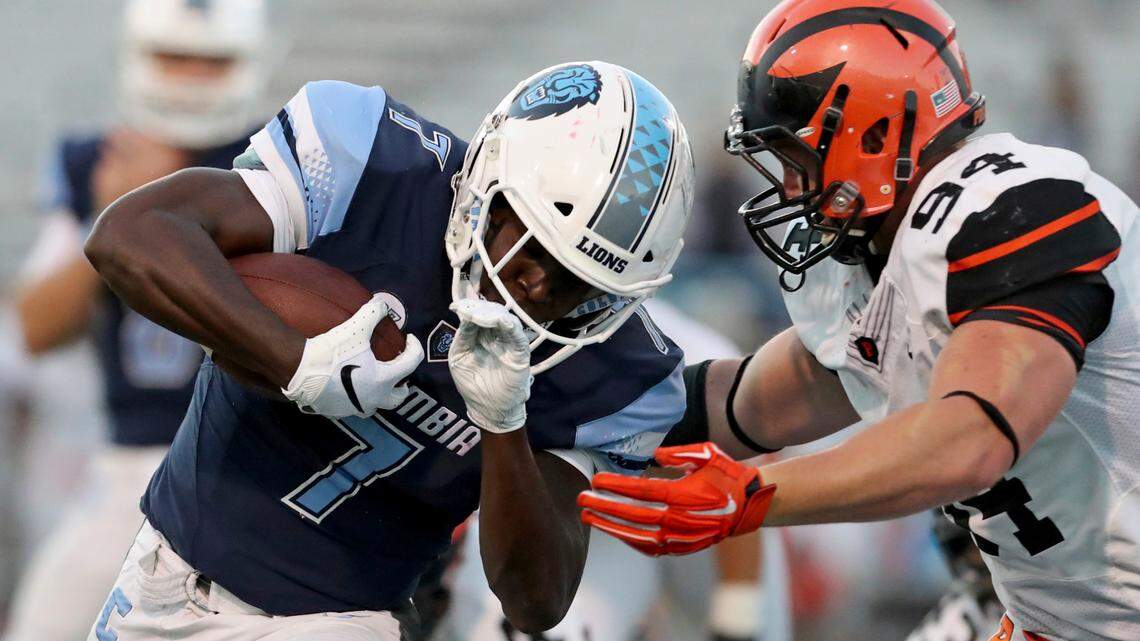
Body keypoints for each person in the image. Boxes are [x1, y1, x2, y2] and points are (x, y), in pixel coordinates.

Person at [577, 2, 1140, 641]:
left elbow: (970, 440)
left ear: (874, 136)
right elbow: (736, 406)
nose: (789, 189)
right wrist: (558, 406)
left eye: (795, 157)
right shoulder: (890, 265)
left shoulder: (1015, 208)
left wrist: (754, 495)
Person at [83, 60, 694, 641]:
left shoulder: (622, 371)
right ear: (488, 178)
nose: (537, 286)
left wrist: (504, 425)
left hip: (341, 619)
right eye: (533, 243)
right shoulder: (374, 168)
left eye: (579, 284)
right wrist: (299, 363)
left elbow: (537, 599)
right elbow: (130, 235)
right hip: (165, 568)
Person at [4, 2, 268, 640]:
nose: (189, 77)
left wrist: (170, 200)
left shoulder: (279, 160)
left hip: (252, 465)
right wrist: (116, 214)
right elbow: (36, 328)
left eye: (211, 61)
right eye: (174, 56)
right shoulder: (101, 159)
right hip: (128, 465)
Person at [441, 299, 792, 641]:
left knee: (742, 622)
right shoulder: (492, 325)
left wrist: (738, 609)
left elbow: (733, 475)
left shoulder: (667, 344)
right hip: (593, 511)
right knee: (538, 622)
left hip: (699, 510)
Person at [906, 512, 1003, 641]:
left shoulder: (1034, 594)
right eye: (958, 546)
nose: (972, 556)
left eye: (979, 540)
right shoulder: (957, 616)